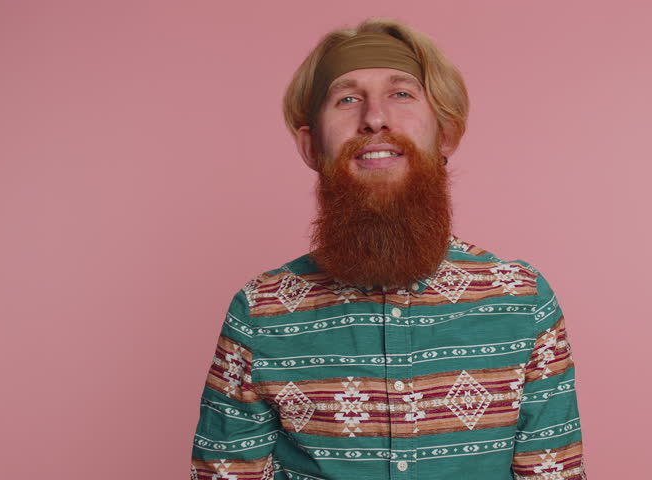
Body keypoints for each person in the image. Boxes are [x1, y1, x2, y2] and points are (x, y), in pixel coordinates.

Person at [190, 17, 586, 480]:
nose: (374, 118)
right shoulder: (259, 312)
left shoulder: (523, 302)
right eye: (347, 99)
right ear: (311, 146)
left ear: (446, 133)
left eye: (401, 94)